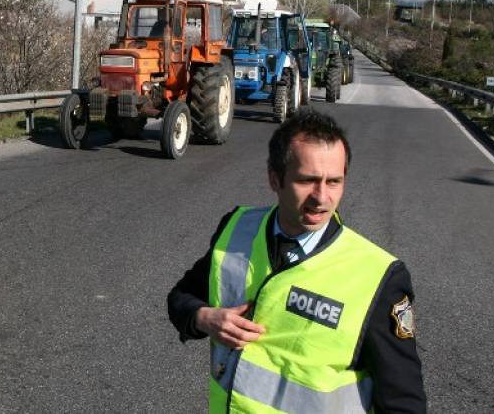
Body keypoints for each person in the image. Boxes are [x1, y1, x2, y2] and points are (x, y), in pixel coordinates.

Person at [167, 109, 425, 413]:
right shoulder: (236, 229)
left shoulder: (379, 276)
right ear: (274, 179)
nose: (322, 197)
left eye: (334, 182)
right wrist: (202, 318)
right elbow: (181, 297)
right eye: (308, 180)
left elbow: (404, 401)